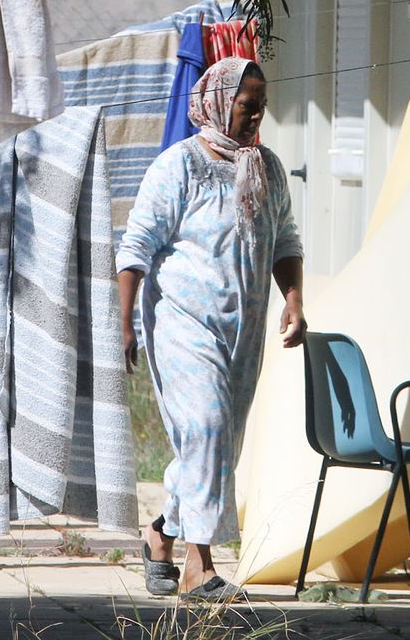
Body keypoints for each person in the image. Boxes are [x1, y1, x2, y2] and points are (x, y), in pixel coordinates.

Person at [116, 56, 306, 600]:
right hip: (180, 323)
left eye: (260, 108)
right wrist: (125, 322)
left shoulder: (265, 168)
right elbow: (136, 248)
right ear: (220, 102)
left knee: (218, 444)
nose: (254, 118)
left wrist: (293, 299)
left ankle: (160, 535)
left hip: (241, 329)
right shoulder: (178, 166)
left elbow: (285, 239)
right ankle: (200, 566)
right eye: (247, 106)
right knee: (205, 428)